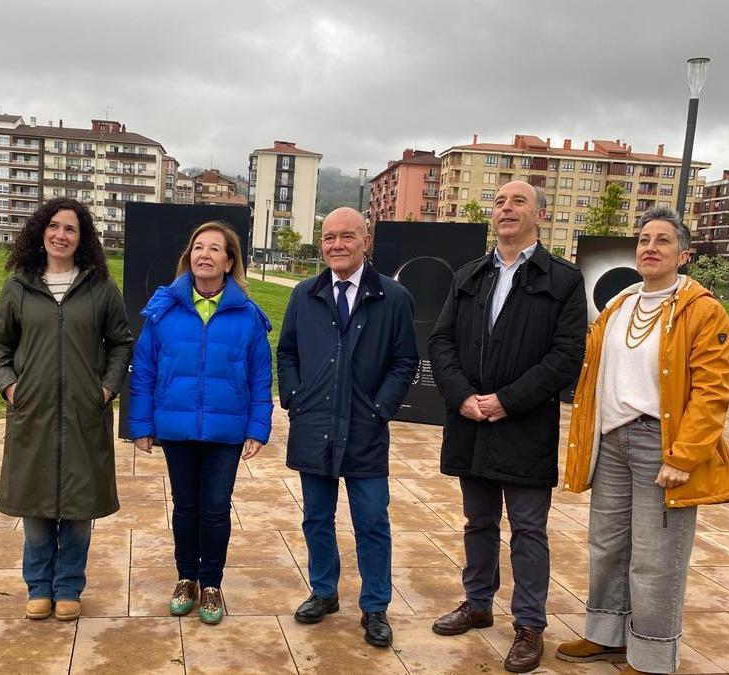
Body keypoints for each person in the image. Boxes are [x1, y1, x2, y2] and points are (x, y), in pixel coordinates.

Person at [556, 206, 729, 674]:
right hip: (611, 441)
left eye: (663, 240)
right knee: (607, 546)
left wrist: (684, 456)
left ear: (683, 255)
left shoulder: (703, 311)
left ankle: (652, 654)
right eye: (644, 240)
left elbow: (712, 392)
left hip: (660, 445)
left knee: (656, 555)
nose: (650, 248)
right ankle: (605, 634)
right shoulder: (619, 306)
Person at [427, 180, 587, 673]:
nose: (506, 208)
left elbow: (567, 355)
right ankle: (477, 603)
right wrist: (463, 397)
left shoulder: (563, 279)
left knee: (528, 529)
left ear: (540, 215)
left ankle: (529, 625)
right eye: (499, 201)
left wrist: (506, 401)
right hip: (471, 422)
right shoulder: (469, 275)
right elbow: (441, 341)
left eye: (518, 201)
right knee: (478, 522)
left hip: (525, 427)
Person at [0, 197, 133, 622]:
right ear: (41, 231)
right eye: (54, 226)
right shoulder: (19, 286)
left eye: (70, 229)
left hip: (83, 414)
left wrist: (105, 389)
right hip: (32, 412)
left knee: (78, 505)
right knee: (34, 502)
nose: (61, 235)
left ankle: (68, 585)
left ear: (82, 238)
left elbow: (121, 343)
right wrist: (10, 387)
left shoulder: (100, 288)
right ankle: (38, 586)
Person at [277, 207, 418, 648]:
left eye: (347, 236)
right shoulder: (305, 294)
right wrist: (294, 398)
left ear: (366, 241)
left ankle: (375, 606)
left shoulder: (393, 297)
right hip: (313, 425)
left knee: (372, 520)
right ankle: (324, 591)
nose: (337, 245)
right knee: (316, 518)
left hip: (364, 430)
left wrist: (381, 409)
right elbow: (287, 352)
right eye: (329, 237)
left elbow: (405, 361)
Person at [128, 221, 273, 626]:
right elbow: (144, 368)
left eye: (214, 249)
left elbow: (261, 375)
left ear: (229, 262)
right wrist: (141, 424)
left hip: (226, 432)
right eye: (198, 247)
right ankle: (186, 578)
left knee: (215, 509)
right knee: (185, 507)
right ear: (188, 257)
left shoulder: (247, 315)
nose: (204, 254)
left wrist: (257, 427)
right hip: (177, 429)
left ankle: (211, 583)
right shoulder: (164, 310)